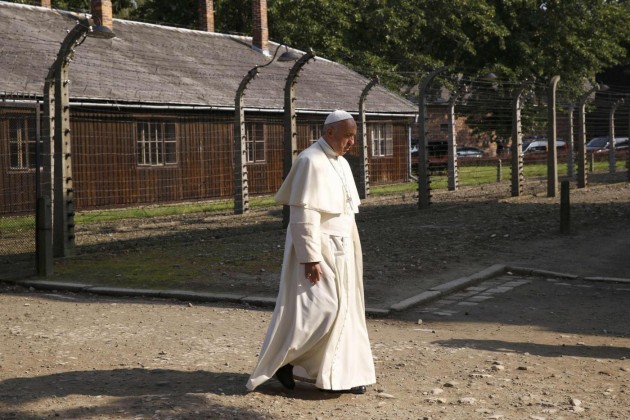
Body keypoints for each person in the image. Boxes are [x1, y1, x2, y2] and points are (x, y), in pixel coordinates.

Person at [246, 110, 376, 394]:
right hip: (320, 248)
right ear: (329, 132)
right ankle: (284, 360)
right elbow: (302, 214)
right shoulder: (309, 160)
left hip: (343, 248)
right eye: (347, 136)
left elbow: (346, 212)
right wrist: (310, 258)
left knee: (346, 311)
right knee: (322, 309)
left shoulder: (341, 163)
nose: (352, 142)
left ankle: (339, 376)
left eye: (354, 136)